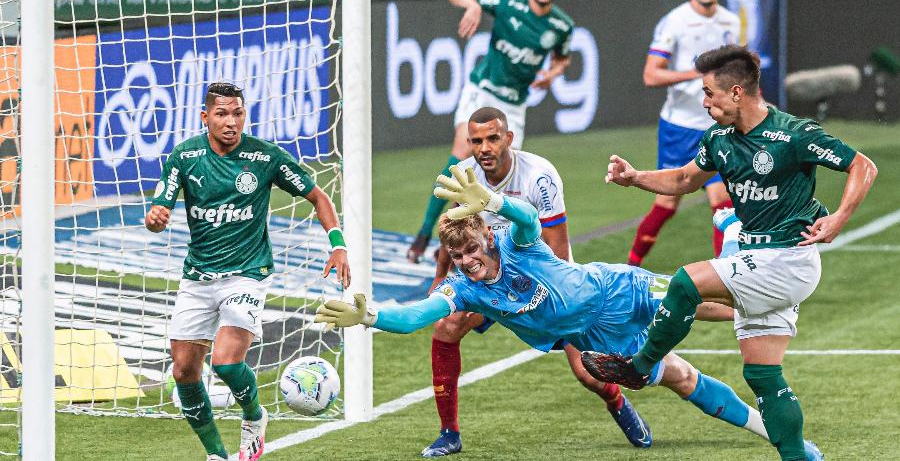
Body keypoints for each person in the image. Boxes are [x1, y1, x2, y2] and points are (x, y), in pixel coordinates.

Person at [316, 165, 789, 454]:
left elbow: (525, 216)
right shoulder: (466, 289)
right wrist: (372, 316)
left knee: (710, 303)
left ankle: (748, 267)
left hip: (615, 291)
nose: (468, 262)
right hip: (592, 339)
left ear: (484, 235)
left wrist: (496, 200)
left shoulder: (513, 241)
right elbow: (419, 316)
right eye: (458, 257)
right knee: (681, 379)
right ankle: (767, 428)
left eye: (472, 250)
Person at [585, 45, 877, 461]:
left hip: (787, 258)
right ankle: (801, 457)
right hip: (761, 258)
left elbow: (862, 165)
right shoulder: (719, 140)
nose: (704, 103)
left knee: (686, 282)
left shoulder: (793, 133)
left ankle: (638, 366)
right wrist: (635, 178)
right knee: (761, 374)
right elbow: (686, 178)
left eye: (709, 93)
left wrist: (839, 218)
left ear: (737, 92)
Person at [421, 107, 650, 457]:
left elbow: (556, 252)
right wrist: (441, 277)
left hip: (549, 288)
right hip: (488, 279)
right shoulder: (466, 175)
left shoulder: (538, 176)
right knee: (447, 326)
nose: (484, 147)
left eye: (493, 138)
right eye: (477, 140)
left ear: (509, 138)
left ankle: (616, 401)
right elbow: (452, 232)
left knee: (588, 374)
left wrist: (521, 297)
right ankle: (448, 433)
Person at [145, 82, 351, 461]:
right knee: (183, 372)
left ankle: (255, 417)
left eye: (237, 113)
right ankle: (216, 454)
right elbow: (159, 211)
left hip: (247, 274)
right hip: (198, 276)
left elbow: (318, 196)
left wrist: (337, 244)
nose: (230, 122)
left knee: (225, 361)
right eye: (221, 114)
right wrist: (155, 219)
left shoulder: (265, 157)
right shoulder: (184, 157)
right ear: (205, 117)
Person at [406, 0, 574, 263]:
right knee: (462, 154)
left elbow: (562, 58)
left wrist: (553, 73)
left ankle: (480, 242)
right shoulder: (509, 4)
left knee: (503, 174)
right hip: (483, 89)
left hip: (514, 104)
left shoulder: (561, 25)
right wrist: (472, 6)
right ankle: (424, 232)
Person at [627, 0, 740, 267]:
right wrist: (696, 74)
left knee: (722, 202)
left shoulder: (731, 22)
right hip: (679, 127)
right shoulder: (675, 21)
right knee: (666, 203)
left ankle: (726, 273)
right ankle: (630, 266)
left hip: (716, 126)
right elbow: (651, 75)